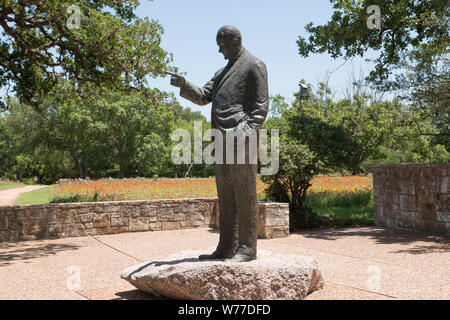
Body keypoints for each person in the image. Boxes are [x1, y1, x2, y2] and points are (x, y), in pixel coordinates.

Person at [169, 25, 268, 262]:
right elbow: (204, 96)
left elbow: (260, 105)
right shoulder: (221, 72)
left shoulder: (255, 65)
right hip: (220, 139)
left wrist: (248, 131)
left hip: (242, 137)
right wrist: (184, 85)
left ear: (234, 40)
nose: (219, 49)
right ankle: (226, 246)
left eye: (221, 45)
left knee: (245, 194)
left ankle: (247, 249)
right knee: (225, 195)